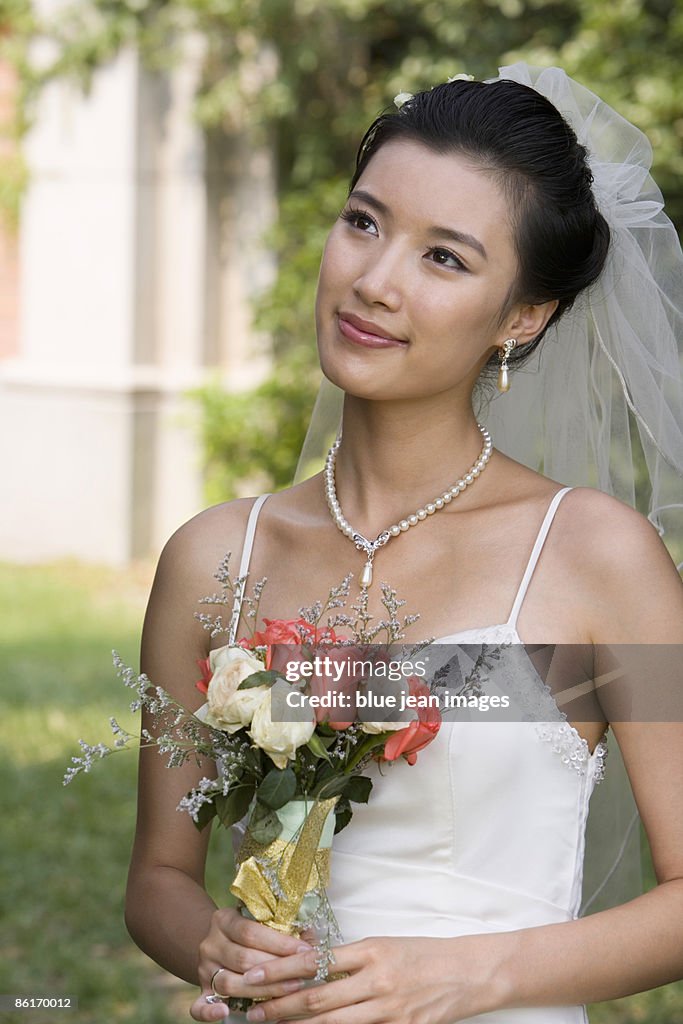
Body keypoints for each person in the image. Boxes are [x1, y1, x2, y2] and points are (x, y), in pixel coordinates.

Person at [124, 65, 683, 1024]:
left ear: (523, 316)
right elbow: (159, 880)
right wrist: (214, 944)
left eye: (445, 258)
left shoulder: (598, 557)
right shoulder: (215, 557)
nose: (374, 281)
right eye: (364, 221)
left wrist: (476, 977)